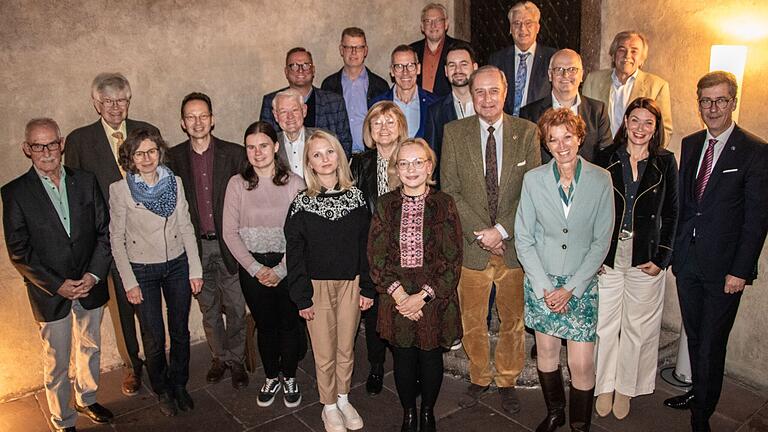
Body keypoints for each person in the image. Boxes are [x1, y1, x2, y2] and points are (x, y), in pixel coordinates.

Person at [666, 71, 768, 432]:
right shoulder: (692, 144)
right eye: (706, 101)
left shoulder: (756, 151)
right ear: (699, 104)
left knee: (712, 343)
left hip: (725, 271)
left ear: (733, 102)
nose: (713, 108)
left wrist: (740, 271)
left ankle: (701, 416)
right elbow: (685, 205)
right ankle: (700, 392)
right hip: (688, 263)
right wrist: (675, 255)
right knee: (695, 336)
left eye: (720, 100)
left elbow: (756, 220)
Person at [2, 118, 114, 432]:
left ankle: (87, 398)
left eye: (52, 143)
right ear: (27, 149)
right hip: (50, 293)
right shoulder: (15, 193)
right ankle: (62, 418)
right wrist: (58, 284)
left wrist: (93, 275)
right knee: (57, 360)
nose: (47, 151)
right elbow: (19, 250)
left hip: (90, 284)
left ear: (61, 143)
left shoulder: (86, 180)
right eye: (38, 145)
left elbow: (105, 232)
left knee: (90, 347)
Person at [441, 65, 541, 414]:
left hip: (514, 247)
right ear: (471, 94)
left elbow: (533, 191)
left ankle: (508, 379)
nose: (486, 98)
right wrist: (483, 233)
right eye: (479, 92)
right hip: (472, 245)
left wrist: (501, 231)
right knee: (472, 319)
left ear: (505, 93)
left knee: (513, 320)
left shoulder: (528, 132)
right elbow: (450, 190)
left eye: (492, 91)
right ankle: (480, 376)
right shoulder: (454, 133)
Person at [514, 108, 614, 432]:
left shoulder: (602, 179)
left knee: (581, 362)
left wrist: (572, 287)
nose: (561, 145)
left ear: (579, 137)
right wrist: (544, 285)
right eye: (553, 139)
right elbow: (524, 238)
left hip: (580, 283)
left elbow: (602, 241)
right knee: (546, 352)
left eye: (567, 137)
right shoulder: (533, 180)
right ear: (546, 143)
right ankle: (555, 411)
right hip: (542, 281)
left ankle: (580, 424)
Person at [65, 72, 159, 396]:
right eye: (108, 101)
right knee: (121, 309)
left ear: (129, 101)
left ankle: (157, 361)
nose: (115, 107)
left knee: (148, 305)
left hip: (148, 238)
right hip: (109, 241)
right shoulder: (79, 141)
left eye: (121, 100)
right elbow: (76, 195)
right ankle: (133, 365)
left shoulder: (148, 132)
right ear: (96, 103)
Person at [368, 138, 463, 432]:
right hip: (395, 297)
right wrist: (400, 296)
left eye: (418, 162)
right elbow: (376, 257)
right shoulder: (385, 204)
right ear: (396, 168)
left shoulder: (444, 203)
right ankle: (409, 412)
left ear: (429, 166)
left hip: (433, 298)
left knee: (431, 358)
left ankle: (427, 413)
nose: (411, 169)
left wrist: (422, 297)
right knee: (405, 359)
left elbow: (452, 258)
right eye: (404, 163)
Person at [594, 97, 678, 420]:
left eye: (648, 123)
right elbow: (594, 210)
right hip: (610, 254)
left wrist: (662, 257)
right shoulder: (606, 158)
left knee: (637, 327)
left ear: (655, 128)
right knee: (605, 324)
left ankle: (626, 387)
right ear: (625, 122)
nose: (640, 128)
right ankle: (604, 384)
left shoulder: (665, 162)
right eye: (635, 120)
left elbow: (672, 214)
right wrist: (596, 255)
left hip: (646, 256)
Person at [109, 128, 203, 417]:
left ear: (160, 152)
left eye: (152, 151)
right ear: (131, 159)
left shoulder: (174, 182)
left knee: (180, 331)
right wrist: (129, 281)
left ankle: (179, 384)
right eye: (140, 153)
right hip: (142, 270)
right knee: (153, 335)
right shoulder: (120, 190)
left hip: (177, 264)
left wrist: (195, 269)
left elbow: (186, 226)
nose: (147, 158)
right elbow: (116, 238)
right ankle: (161, 388)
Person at [285, 130, 375, 432]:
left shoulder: (357, 198)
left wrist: (367, 287)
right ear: (308, 163)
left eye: (329, 152)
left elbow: (366, 246)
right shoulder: (301, 203)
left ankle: (343, 396)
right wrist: (302, 296)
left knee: (346, 347)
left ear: (339, 156)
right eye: (316, 155)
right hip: (316, 287)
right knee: (324, 350)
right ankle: (328, 405)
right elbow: (294, 253)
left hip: (351, 283)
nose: (324, 159)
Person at [166, 92, 248, 389]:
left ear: (212, 120)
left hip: (229, 244)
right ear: (182, 123)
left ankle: (237, 359)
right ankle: (219, 358)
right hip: (195, 247)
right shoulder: (172, 159)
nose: (197, 122)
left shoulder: (235, 154)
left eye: (203, 116)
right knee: (209, 308)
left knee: (237, 306)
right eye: (191, 117)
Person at [222, 121, 306, 408]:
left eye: (263, 146)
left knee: (289, 324)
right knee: (266, 325)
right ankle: (271, 376)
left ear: (276, 147)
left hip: (289, 264)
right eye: (251, 147)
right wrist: (256, 269)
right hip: (253, 267)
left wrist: (282, 269)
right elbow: (229, 233)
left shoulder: (295, 183)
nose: (257, 153)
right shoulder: (237, 184)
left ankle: (290, 376)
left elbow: (303, 233)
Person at [350, 101, 409, 396]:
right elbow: (355, 209)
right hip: (372, 250)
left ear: (400, 126)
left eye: (389, 122)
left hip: (406, 251)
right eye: (377, 123)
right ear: (369, 131)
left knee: (401, 312)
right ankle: (375, 366)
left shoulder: (411, 157)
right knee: (373, 314)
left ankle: (404, 367)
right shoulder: (359, 163)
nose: (383, 128)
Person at [521, 49, 612, 163]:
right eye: (559, 69)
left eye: (572, 69)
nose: (566, 75)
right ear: (550, 75)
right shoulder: (529, 114)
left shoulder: (598, 111)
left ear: (581, 75)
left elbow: (606, 157)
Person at [260, 47, 353, 156]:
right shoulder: (271, 101)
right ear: (286, 72)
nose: (300, 70)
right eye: (294, 66)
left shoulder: (334, 102)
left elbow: (344, 144)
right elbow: (264, 142)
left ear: (313, 70)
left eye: (306, 65)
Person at [582, 30, 673, 141]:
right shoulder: (593, 80)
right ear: (613, 55)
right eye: (621, 50)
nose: (627, 55)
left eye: (634, 51)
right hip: (599, 155)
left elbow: (664, 131)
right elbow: (582, 122)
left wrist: (646, 155)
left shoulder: (657, 86)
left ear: (642, 59)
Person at [321, 27, 390, 155]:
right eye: (348, 47)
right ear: (341, 50)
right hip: (338, 156)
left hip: (371, 155)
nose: (353, 53)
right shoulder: (329, 85)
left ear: (365, 51)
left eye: (358, 47)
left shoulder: (380, 86)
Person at [425, 40, 479, 188]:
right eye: (452, 65)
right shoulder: (435, 111)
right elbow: (432, 159)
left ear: (474, 68)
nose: (458, 70)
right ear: (446, 71)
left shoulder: (489, 106)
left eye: (463, 64)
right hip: (451, 192)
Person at [489, 1, 556, 116]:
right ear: (510, 28)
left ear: (538, 27)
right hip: (506, 125)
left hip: (539, 124)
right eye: (516, 23)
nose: (522, 29)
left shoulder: (552, 58)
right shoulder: (497, 59)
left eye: (528, 23)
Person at [370, 45, 439, 139]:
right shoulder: (378, 104)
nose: (405, 72)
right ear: (392, 71)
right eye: (399, 66)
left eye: (410, 66)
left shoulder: (435, 103)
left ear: (418, 69)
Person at [409, 3, 469, 97]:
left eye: (438, 20)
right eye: (428, 21)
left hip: (450, 108)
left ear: (446, 24)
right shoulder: (411, 51)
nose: (433, 25)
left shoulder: (462, 49)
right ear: (422, 26)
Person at [272, 89, 319, 178]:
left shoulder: (324, 139)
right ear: (275, 116)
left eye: (294, 110)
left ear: (304, 111)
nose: (290, 116)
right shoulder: (270, 145)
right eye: (283, 112)